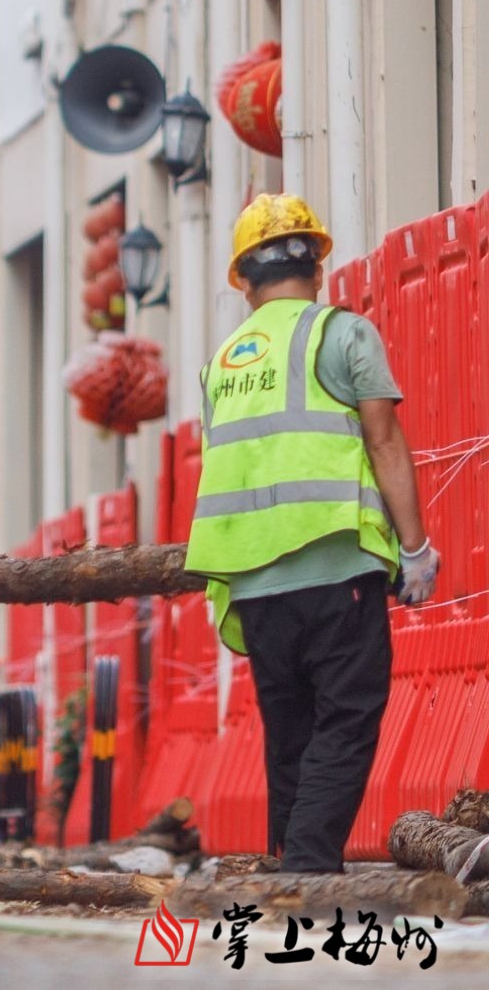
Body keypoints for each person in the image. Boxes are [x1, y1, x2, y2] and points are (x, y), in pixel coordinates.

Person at [184, 193, 438, 873]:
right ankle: (305, 865)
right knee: (348, 715)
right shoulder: (342, 333)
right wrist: (414, 549)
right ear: (318, 267)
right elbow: (383, 439)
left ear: (244, 281)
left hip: (253, 583)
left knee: (290, 727)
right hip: (334, 566)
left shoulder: (218, 367)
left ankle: (294, 866)